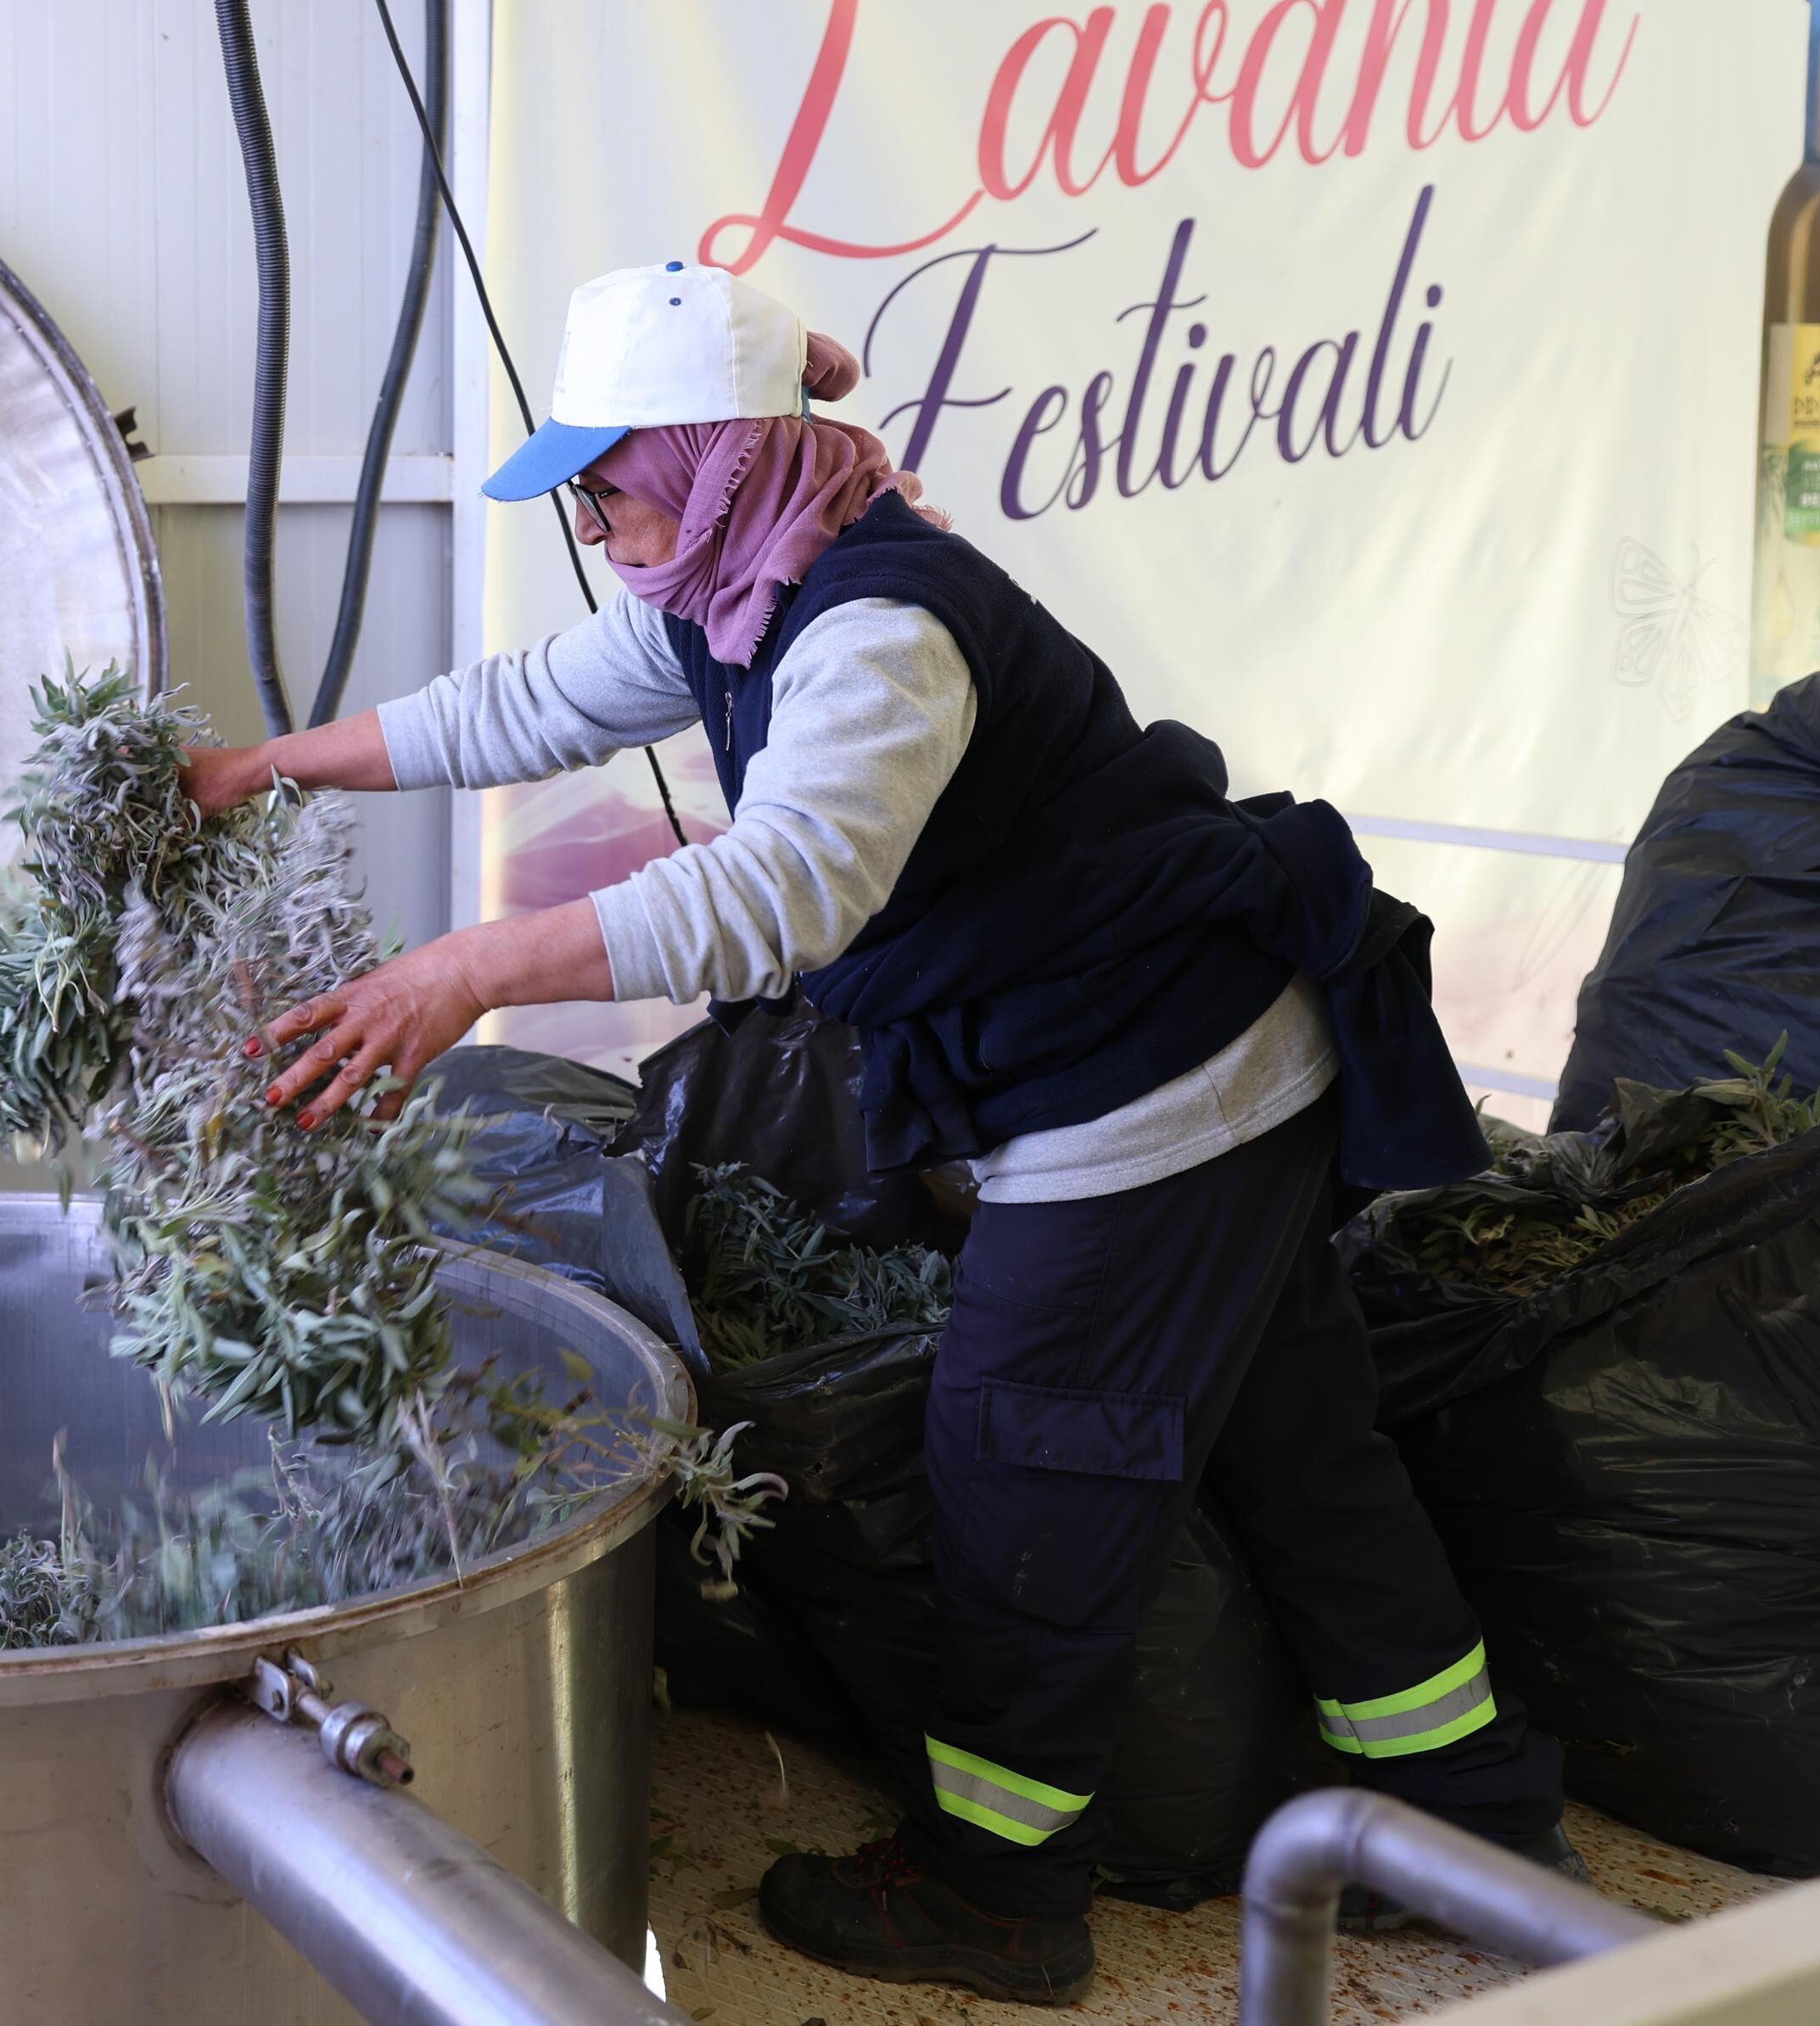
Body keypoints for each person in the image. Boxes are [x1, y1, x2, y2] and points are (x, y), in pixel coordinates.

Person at [188, 260, 1573, 2006]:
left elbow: (785, 890)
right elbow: (518, 705)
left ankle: (997, 1892)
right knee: (1291, 1441)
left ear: (701, 457)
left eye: (608, 483)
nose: (597, 522)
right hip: (1200, 1055)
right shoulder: (725, 577)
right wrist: (267, 770)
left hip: (1149, 1089)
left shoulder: (872, 631)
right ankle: (1475, 1821)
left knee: (1021, 1461)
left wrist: (467, 968)